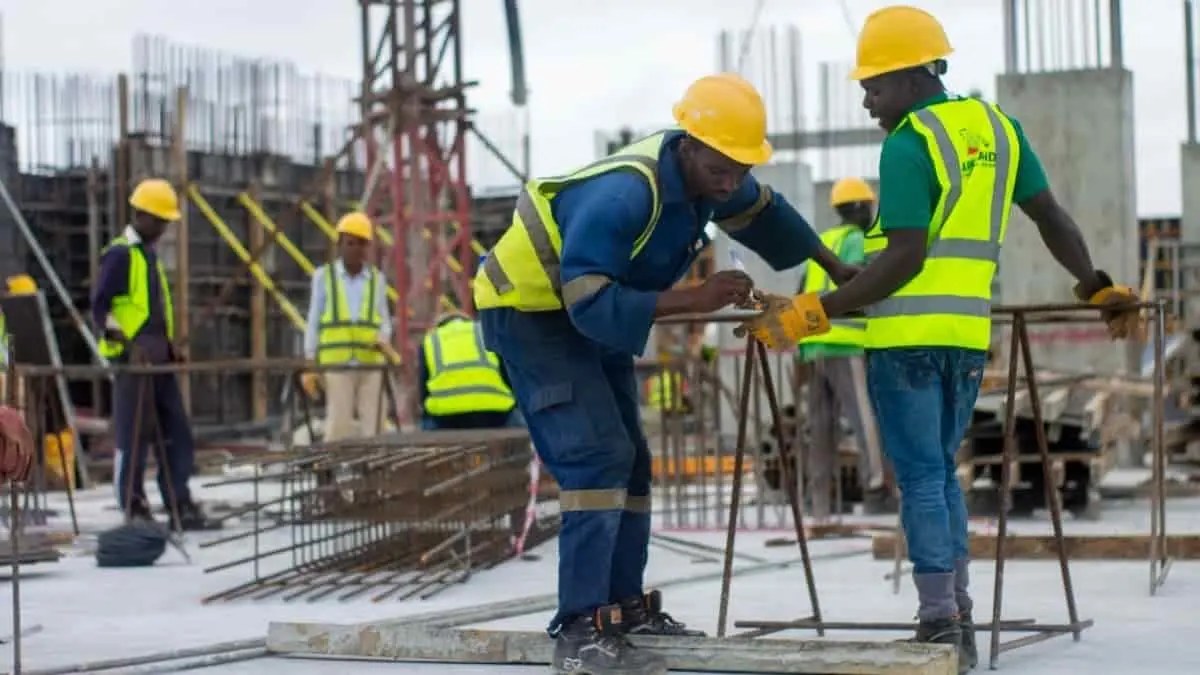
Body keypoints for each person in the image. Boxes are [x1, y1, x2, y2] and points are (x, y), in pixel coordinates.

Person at [737, 6, 1141, 671]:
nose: (867, 100)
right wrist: (1096, 283)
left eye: (873, 85)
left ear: (909, 74)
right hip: (965, 339)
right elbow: (1051, 217)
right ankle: (958, 614)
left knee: (922, 477)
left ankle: (938, 623)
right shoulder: (999, 128)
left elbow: (904, 259)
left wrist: (815, 311)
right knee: (942, 476)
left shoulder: (907, 142)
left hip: (906, 342)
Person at [472, 72, 857, 674]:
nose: (730, 182)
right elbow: (590, 302)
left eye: (739, 169)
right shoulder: (625, 195)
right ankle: (579, 628)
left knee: (633, 461)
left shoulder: (715, 171)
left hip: (586, 308)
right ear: (688, 145)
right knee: (595, 457)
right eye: (721, 170)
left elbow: (769, 215)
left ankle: (623, 608)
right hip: (532, 313)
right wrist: (695, 299)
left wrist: (836, 269)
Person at [93, 178, 218, 531]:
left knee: (176, 432)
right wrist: (129, 347)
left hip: (157, 356)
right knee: (133, 436)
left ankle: (179, 503)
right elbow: (101, 309)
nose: (164, 228)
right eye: (160, 221)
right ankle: (134, 508)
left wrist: (168, 346)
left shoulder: (147, 256)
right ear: (141, 215)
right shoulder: (119, 254)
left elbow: (150, 310)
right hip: (135, 362)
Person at [798, 178, 891, 520]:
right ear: (862, 207)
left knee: (820, 426)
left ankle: (817, 499)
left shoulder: (823, 242)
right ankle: (876, 490)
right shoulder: (855, 241)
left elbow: (800, 291)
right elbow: (861, 284)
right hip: (845, 342)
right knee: (863, 420)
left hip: (812, 346)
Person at [302, 211, 393, 441]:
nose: (356, 249)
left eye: (362, 243)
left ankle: (375, 471)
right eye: (351, 243)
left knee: (374, 425)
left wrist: (384, 338)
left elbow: (384, 320)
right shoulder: (324, 277)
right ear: (340, 244)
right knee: (338, 424)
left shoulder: (376, 280)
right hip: (338, 363)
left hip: (370, 363)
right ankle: (332, 473)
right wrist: (310, 360)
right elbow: (314, 320)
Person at [418, 311, 517, 430]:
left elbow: (423, 389)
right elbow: (508, 375)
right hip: (495, 412)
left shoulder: (430, 340)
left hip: (447, 416)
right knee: (519, 417)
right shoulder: (484, 331)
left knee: (427, 419)